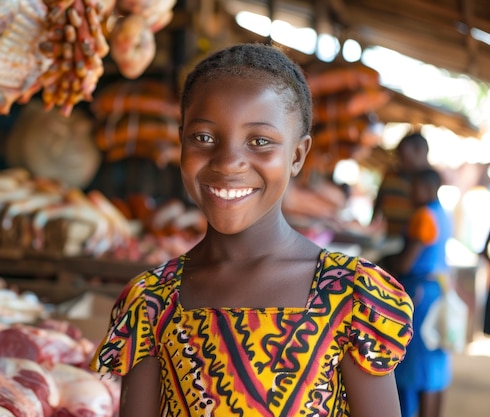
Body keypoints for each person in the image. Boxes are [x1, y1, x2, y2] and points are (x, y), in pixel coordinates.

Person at [89, 43, 414, 416]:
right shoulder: (150, 302)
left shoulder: (350, 295)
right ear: (181, 142)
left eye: (259, 141)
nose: (228, 163)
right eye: (204, 138)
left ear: (296, 155)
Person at [389, 168, 453, 417]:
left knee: (414, 365)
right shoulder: (442, 213)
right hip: (436, 289)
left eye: (414, 187)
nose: (410, 192)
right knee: (434, 363)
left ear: (426, 188)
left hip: (419, 295)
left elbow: (406, 263)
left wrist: (386, 262)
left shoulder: (424, 216)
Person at [372, 132, 432, 241]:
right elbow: (379, 201)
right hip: (388, 237)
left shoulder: (429, 182)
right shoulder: (390, 175)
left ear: (420, 152)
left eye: (404, 157)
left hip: (408, 242)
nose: (400, 162)